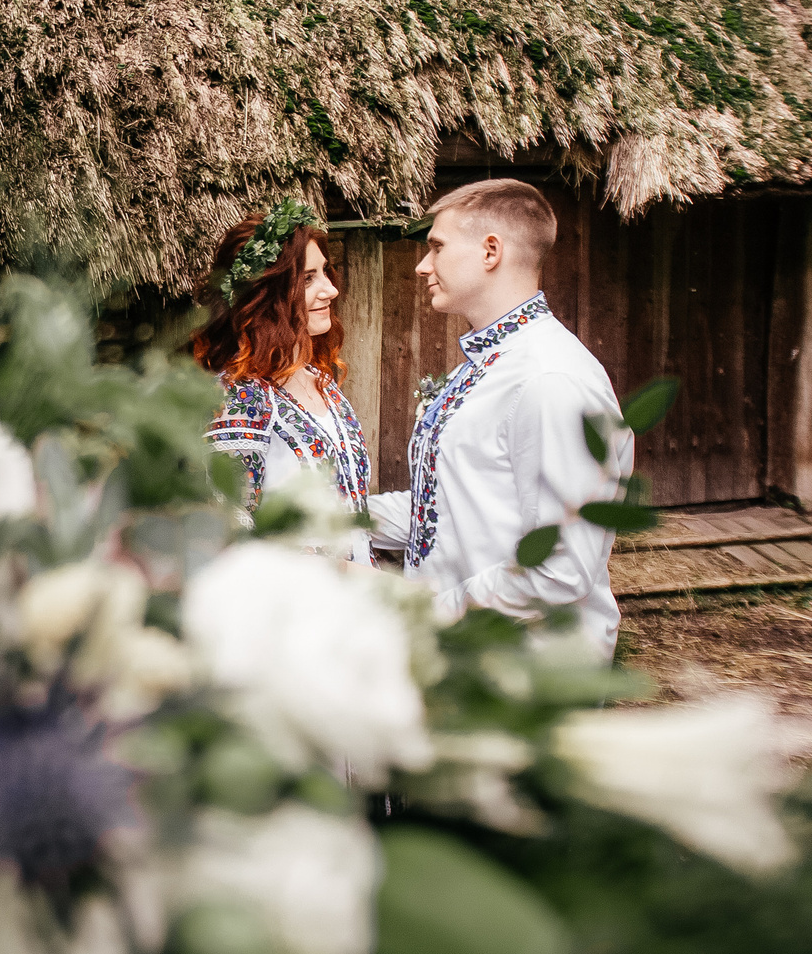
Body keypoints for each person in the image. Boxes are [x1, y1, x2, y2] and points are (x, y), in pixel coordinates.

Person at [366, 179, 632, 655]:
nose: (423, 266)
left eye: (437, 247)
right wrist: (329, 518)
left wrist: (424, 610)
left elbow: (559, 570)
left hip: (524, 671)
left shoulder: (550, 379)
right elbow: (448, 508)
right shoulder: (490, 365)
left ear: (491, 251)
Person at [194, 198, 373, 563]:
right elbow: (230, 532)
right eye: (309, 279)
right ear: (268, 295)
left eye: (325, 272)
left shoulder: (323, 382)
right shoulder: (240, 396)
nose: (330, 290)